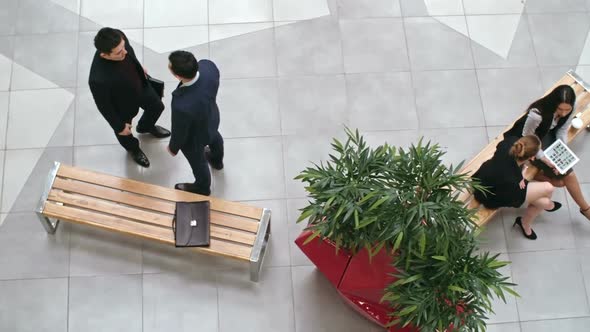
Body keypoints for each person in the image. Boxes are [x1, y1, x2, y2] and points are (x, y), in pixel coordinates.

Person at [504, 84, 590, 221]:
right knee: (564, 179)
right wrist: (543, 157)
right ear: (553, 103)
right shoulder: (536, 115)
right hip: (530, 141)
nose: (563, 113)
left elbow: (562, 130)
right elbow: (527, 137)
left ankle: (585, 209)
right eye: (560, 109)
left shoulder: (571, 107)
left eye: (567, 110)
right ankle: (586, 209)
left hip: (547, 135)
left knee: (562, 181)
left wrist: (562, 149)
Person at [89, 27, 170, 168]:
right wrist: (119, 126)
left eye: (123, 46)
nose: (124, 52)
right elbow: (104, 106)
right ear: (104, 55)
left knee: (157, 106)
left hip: (140, 86)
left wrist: (139, 67)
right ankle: (133, 149)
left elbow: (130, 53)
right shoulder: (98, 79)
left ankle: (145, 127)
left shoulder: (119, 37)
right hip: (123, 105)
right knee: (124, 134)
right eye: (119, 52)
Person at [472, 135, 559, 240]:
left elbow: (507, 165)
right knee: (548, 190)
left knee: (546, 196)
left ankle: (545, 207)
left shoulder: (507, 144)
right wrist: (521, 176)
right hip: (489, 196)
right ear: (532, 158)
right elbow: (514, 195)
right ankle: (534, 216)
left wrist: (520, 175)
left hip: (481, 177)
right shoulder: (514, 179)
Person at [166, 50, 224, 196]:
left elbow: (180, 130)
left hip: (195, 137)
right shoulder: (209, 68)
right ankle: (217, 161)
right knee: (215, 137)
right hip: (212, 118)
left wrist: (173, 148)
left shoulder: (181, 104)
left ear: (177, 75)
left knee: (198, 162)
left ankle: (202, 187)